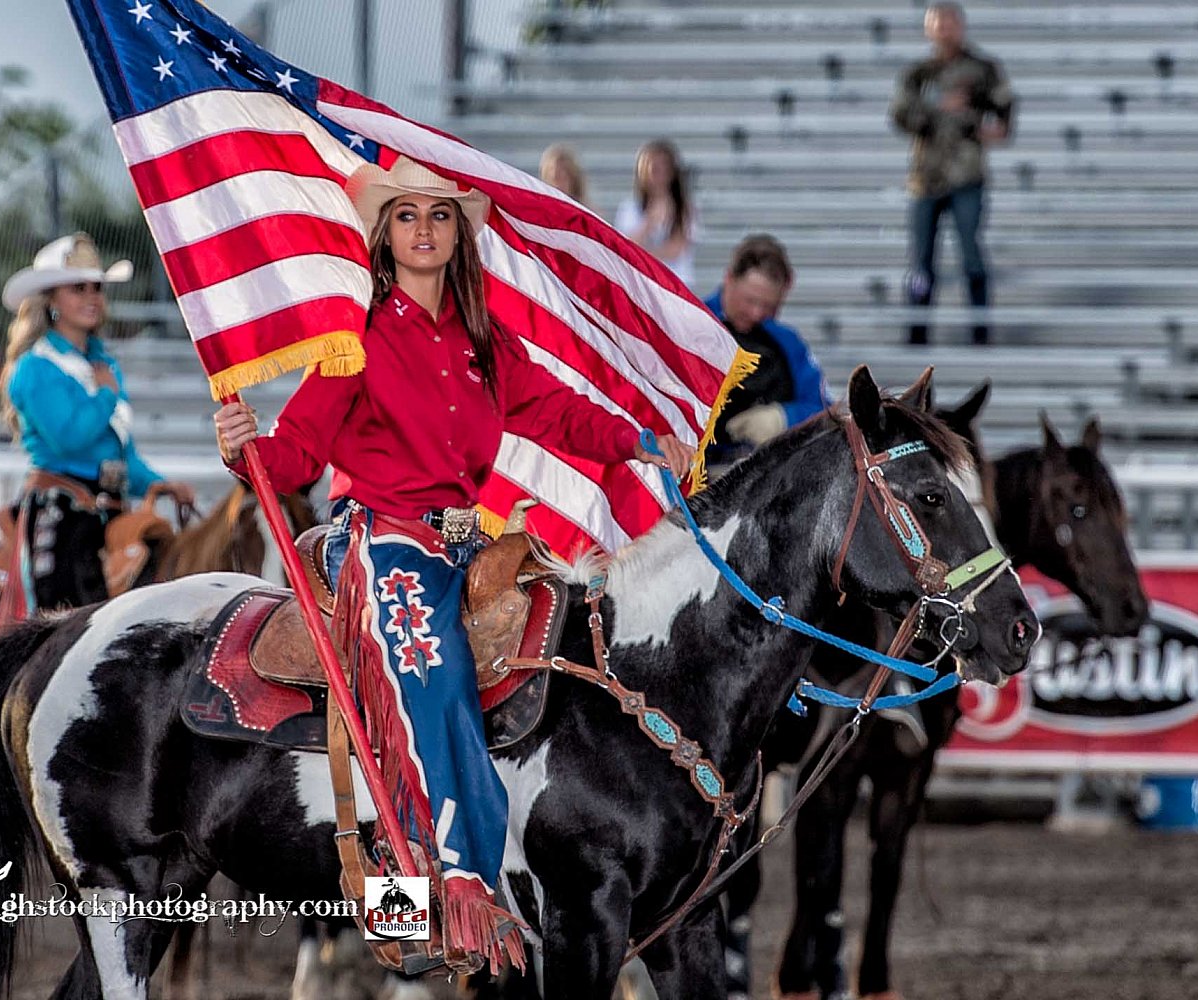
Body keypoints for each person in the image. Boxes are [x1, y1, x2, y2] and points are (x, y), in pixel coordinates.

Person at [213, 157, 694, 972]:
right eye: (407, 216)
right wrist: (245, 448)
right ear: (385, 234)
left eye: (441, 216)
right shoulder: (354, 333)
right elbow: (296, 453)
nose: (426, 229)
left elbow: (553, 409)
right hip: (385, 539)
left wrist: (637, 439)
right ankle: (443, 892)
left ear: (460, 233)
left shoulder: (483, 339)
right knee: (429, 683)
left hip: (468, 542)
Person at [0, 232, 194, 616]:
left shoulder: (102, 364)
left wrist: (156, 482)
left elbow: (121, 452)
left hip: (109, 506)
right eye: (78, 288)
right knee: (62, 616)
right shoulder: (35, 368)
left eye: (97, 288)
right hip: (63, 511)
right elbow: (69, 438)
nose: (92, 297)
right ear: (52, 299)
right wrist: (104, 395)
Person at [890, 2, 1014, 346]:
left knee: (972, 256)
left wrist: (983, 125)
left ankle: (980, 332)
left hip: (966, 176)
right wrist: (937, 108)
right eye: (939, 23)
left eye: (951, 23)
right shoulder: (919, 73)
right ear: (929, 28)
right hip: (925, 177)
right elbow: (900, 114)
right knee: (920, 262)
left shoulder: (982, 69)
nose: (946, 30)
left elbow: (1004, 111)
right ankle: (916, 335)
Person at [703, 235, 830, 470]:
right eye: (749, 300)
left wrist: (783, 418)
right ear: (729, 278)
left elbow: (825, 409)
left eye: (769, 306)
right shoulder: (690, 326)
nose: (756, 313)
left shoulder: (788, 342)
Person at [614, 138, 698, 287]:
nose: (659, 176)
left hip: (676, 284)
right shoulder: (629, 208)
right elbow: (626, 248)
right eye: (654, 169)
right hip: (641, 284)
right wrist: (650, 222)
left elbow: (676, 250)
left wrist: (644, 254)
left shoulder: (685, 208)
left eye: (664, 169)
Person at [539, 142, 589, 206]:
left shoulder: (585, 213)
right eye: (553, 178)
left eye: (562, 177)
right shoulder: (538, 211)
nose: (557, 185)